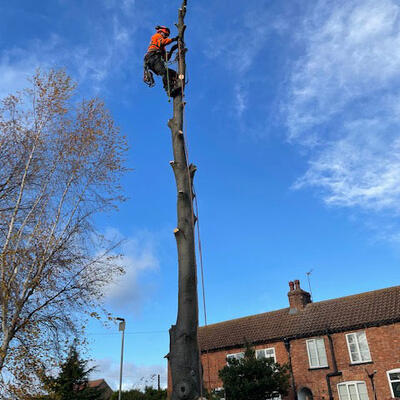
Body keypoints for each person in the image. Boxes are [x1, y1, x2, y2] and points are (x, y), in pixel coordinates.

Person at [144, 26, 180, 96]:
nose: (165, 37)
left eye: (167, 36)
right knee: (165, 72)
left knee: (172, 73)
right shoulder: (156, 36)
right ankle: (169, 90)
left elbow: (166, 59)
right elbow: (163, 42)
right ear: (161, 32)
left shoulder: (161, 48)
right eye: (165, 35)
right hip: (152, 57)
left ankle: (174, 85)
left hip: (152, 60)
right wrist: (173, 39)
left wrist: (172, 49)